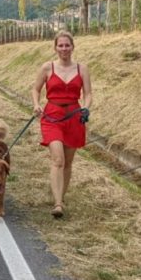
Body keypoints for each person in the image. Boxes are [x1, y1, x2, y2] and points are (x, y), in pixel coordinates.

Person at [30, 30, 92, 218]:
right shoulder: (47, 68)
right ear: (55, 47)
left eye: (67, 45)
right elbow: (35, 89)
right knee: (58, 159)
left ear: (73, 47)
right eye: (60, 45)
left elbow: (88, 94)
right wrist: (36, 104)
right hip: (52, 116)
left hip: (74, 116)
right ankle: (57, 204)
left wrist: (86, 108)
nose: (64, 48)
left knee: (68, 162)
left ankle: (60, 196)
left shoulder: (82, 69)